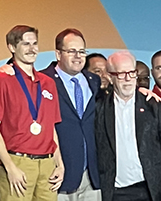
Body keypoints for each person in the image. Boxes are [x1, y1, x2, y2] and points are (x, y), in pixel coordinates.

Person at [0, 25, 64, 201]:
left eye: (35, 43)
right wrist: (9, 167)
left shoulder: (48, 83)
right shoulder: (1, 81)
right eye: (25, 44)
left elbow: (51, 128)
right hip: (18, 162)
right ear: (12, 47)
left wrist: (60, 164)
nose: (32, 49)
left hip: (47, 165)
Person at [40, 28, 101, 201]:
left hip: (91, 176)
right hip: (58, 175)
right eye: (71, 51)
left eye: (81, 51)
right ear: (58, 54)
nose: (78, 56)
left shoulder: (93, 81)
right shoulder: (42, 80)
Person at [95, 51, 161, 201]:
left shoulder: (152, 105)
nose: (127, 79)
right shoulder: (100, 107)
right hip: (115, 191)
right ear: (111, 77)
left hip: (150, 189)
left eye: (131, 73)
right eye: (121, 73)